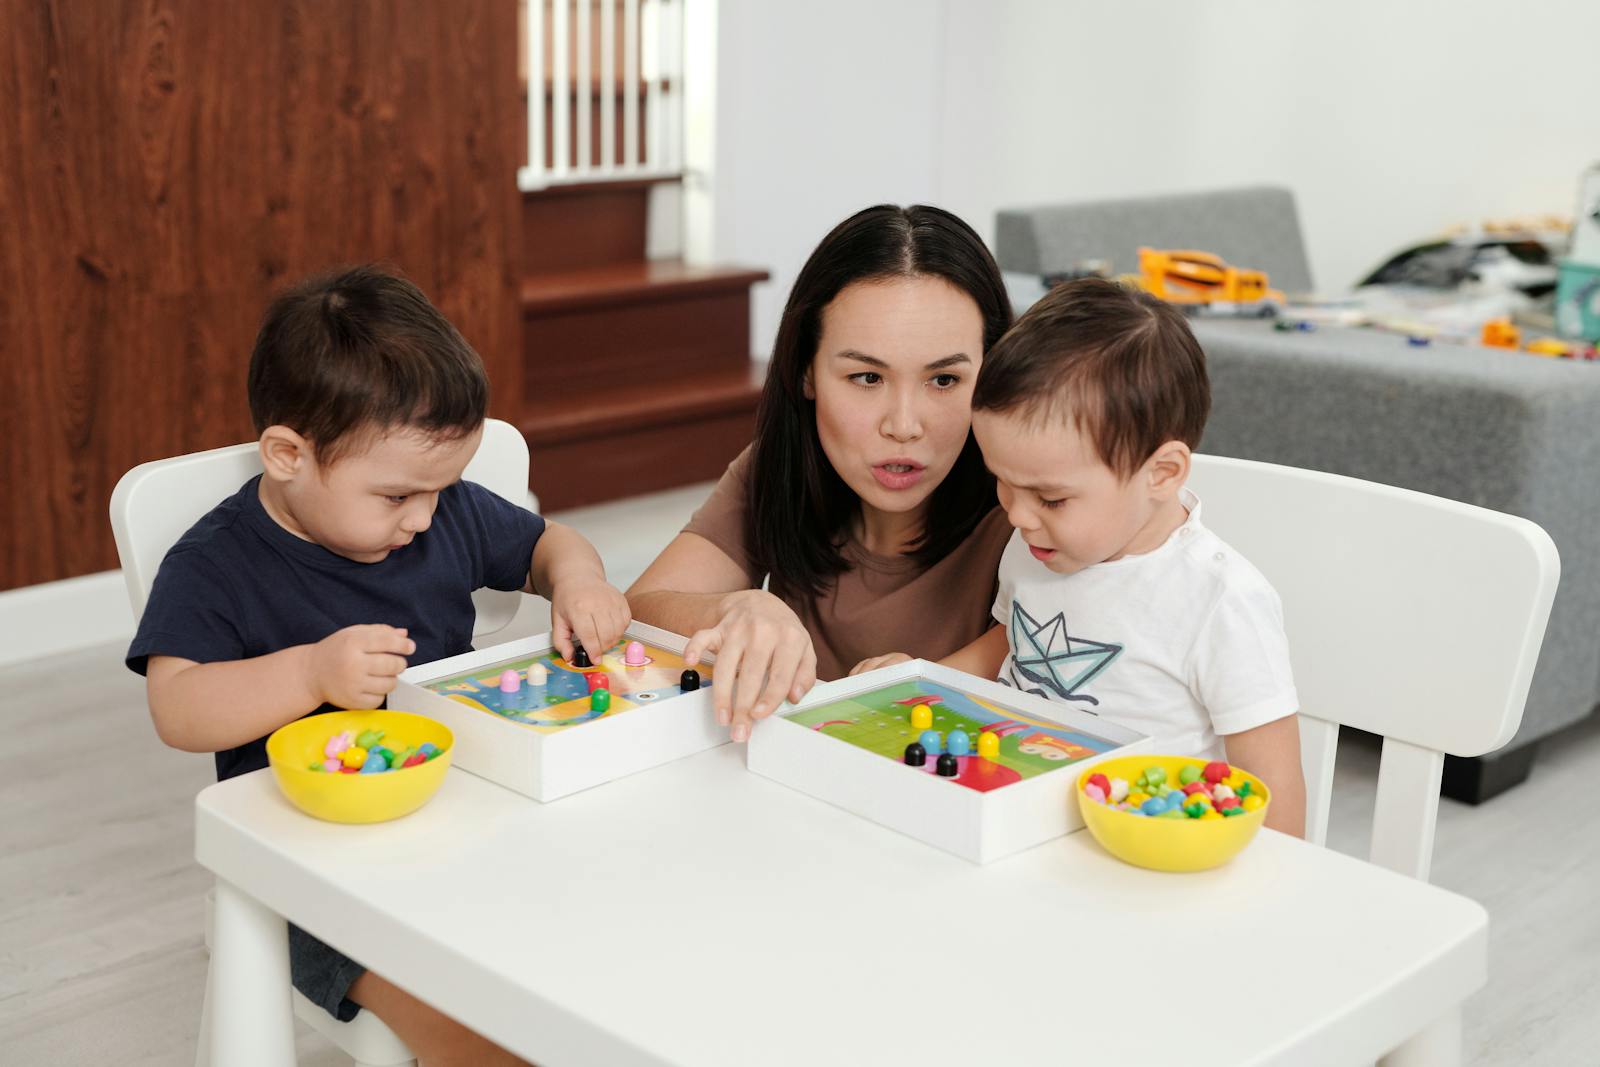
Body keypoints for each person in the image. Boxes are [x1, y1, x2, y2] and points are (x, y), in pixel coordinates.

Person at [126, 265, 630, 1063]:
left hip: (474, 810)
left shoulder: (441, 506)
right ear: (288, 455)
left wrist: (579, 578)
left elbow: (546, 542)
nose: (426, 517)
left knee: (608, 928)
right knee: (474, 1029)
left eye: (443, 487)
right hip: (316, 869)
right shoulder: (217, 564)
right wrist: (306, 677)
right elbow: (177, 707)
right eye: (397, 496)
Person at [868, 277, 1306, 836]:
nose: (1018, 515)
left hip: (1150, 843)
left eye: (1051, 497)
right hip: (1023, 815)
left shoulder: (1219, 601)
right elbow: (1010, 641)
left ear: (1162, 473)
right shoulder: (1038, 545)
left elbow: (1273, 785)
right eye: (1003, 482)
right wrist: (921, 679)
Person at [627, 205, 1016, 740]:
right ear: (806, 370)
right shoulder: (779, 468)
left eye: (944, 380)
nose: (904, 426)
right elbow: (634, 614)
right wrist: (738, 606)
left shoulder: (1031, 502)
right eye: (865, 377)